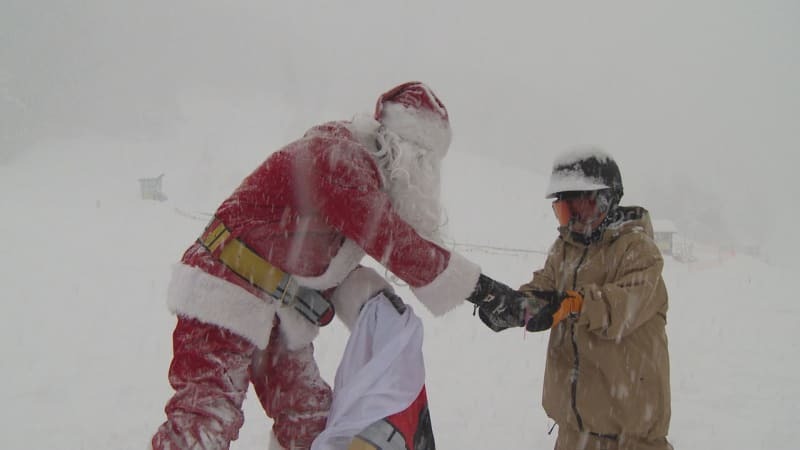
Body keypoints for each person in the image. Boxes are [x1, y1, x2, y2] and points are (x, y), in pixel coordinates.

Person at [150, 81, 528, 450]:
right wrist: (486, 292)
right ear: (406, 152)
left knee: (310, 421)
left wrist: (384, 313)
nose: (427, 176)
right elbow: (395, 242)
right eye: (425, 162)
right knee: (203, 422)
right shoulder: (339, 159)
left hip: (277, 314)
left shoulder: (364, 176)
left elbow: (333, 267)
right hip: (222, 292)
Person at [517, 149, 673, 450]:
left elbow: (624, 305)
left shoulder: (638, 249)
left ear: (607, 202)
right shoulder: (564, 249)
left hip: (630, 438)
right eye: (565, 209)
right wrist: (514, 305)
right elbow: (543, 287)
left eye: (582, 207)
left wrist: (576, 304)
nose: (573, 219)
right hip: (574, 432)